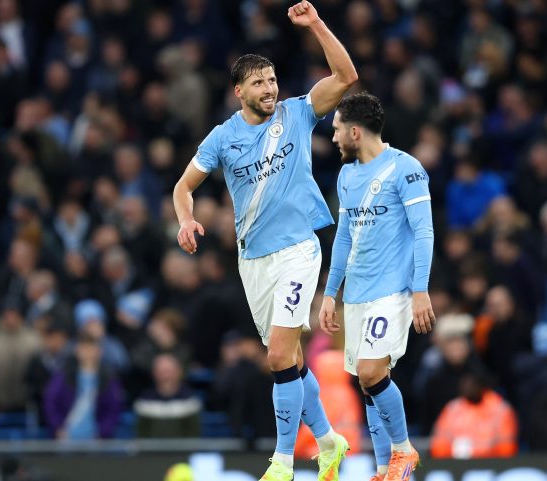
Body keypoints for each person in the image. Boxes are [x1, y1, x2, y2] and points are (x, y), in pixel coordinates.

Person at [171, 3, 357, 480]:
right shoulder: (222, 137)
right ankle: (330, 441)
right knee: (291, 360)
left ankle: (282, 460)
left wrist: (315, 25)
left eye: (272, 80)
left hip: (299, 249)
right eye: (259, 82)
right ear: (240, 92)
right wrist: (186, 221)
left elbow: (346, 74)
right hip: (253, 260)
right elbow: (183, 187)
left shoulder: (298, 113)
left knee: (276, 356)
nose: (270, 88)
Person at [319, 92, 435, 481]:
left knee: (371, 372)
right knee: (369, 384)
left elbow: (424, 231)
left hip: (393, 291)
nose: (333, 138)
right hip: (357, 294)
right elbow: (344, 239)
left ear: (355, 131)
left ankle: (404, 450)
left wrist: (420, 289)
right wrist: (331, 293)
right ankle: (386, 468)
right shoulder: (347, 174)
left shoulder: (406, 168)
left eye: (336, 130)